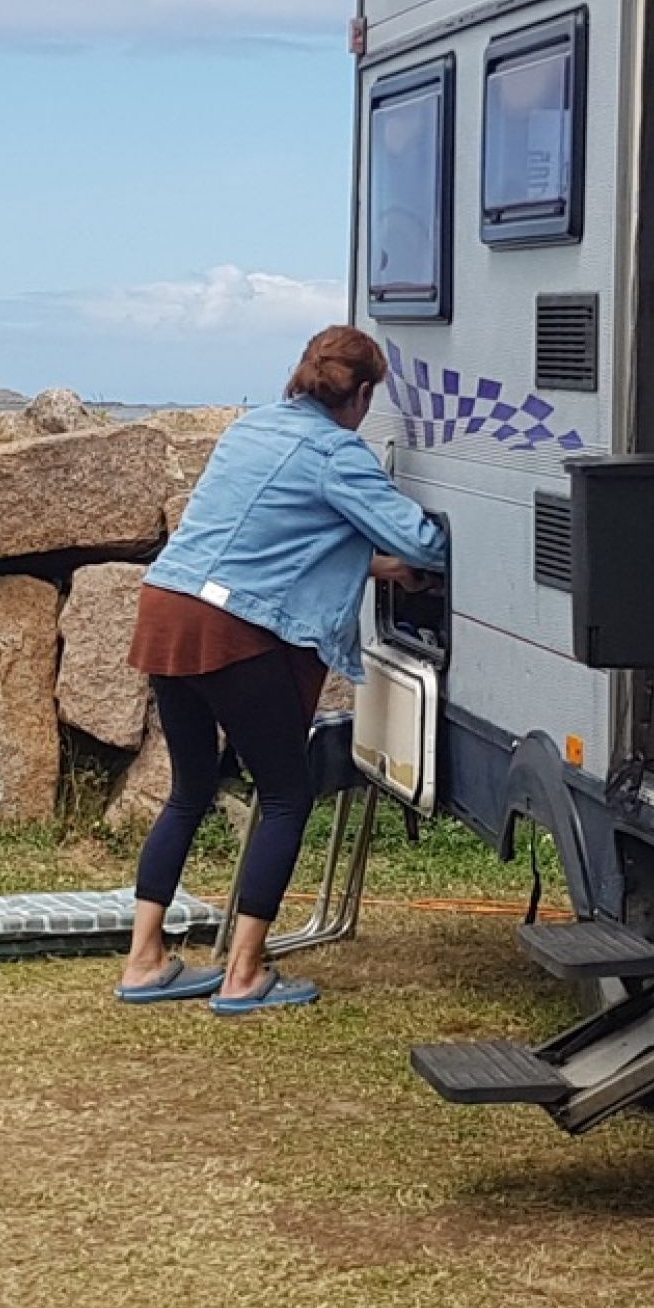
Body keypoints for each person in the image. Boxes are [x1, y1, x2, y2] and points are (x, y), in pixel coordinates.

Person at [116, 324, 448, 1013]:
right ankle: (244, 973)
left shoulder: (251, 429)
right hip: (231, 630)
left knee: (189, 788)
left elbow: (271, 535)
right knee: (287, 794)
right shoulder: (337, 453)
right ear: (359, 395)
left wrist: (372, 563)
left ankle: (144, 961)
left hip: (166, 608)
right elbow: (420, 538)